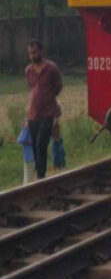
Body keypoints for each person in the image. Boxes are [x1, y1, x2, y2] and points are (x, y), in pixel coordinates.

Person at [25, 40, 62, 179]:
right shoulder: (28, 70)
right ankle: (38, 170)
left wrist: (49, 98)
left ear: (41, 51)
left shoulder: (51, 68)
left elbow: (58, 86)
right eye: (30, 53)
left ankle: (41, 174)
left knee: (42, 141)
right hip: (33, 113)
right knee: (34, 144)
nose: (32, 55)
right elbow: (32, 88)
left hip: (48, 112)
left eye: (34, 52)